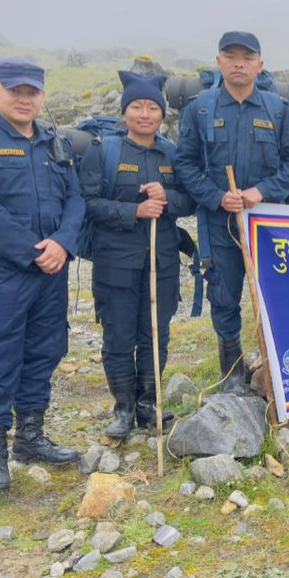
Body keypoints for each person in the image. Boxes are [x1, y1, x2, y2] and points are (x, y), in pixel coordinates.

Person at [0, 59, 84, 493]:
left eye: (33, 92)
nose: (25, 99)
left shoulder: (54, 143)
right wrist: (34, 253)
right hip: (1, 275)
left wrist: (62, 243)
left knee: (44, 352)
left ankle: (30, 438)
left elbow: (76, 200)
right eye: (15, 91)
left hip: (51, 270)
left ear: (42, 96)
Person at [174, 32, 289, 395]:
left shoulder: (278, 110)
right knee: (224, 294)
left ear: (260, 65)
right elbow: (184, 165)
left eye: (246, 58)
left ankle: (284, 368)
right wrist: (217, 197)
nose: (238, 63)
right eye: (230, 56)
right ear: (218, 62)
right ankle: (232, 372)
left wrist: (261, 192)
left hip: (269, 224)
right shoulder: (200, 109)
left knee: (278, 294)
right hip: (221, 223)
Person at [80, 72, 196, 438]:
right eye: (136, 106)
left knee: (155, 335)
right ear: (125, 111)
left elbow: (189, 200)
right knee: (118, 336)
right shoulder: (104, 151)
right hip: (115, 264)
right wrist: (134, 212)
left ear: (162, 114)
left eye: (152, 107)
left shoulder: (173, 154)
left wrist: (166, 199)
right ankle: (123, 410)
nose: (145, 114)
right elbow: (87, 203)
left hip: (161, 262)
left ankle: (149, 406)